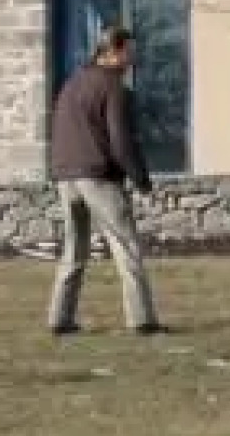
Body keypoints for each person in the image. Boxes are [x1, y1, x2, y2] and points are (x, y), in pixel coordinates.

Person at [46, 25, 164, 336]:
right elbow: (121, 140)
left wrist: (60, 170)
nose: (133, 57)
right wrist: (141, 179)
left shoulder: (72, 85)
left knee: (74, 249)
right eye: (129, 51)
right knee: (126, 246)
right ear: (112, 52)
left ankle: (60, 318)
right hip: (98, 176)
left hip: (66, 175)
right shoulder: (114, 88)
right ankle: (142, 320)